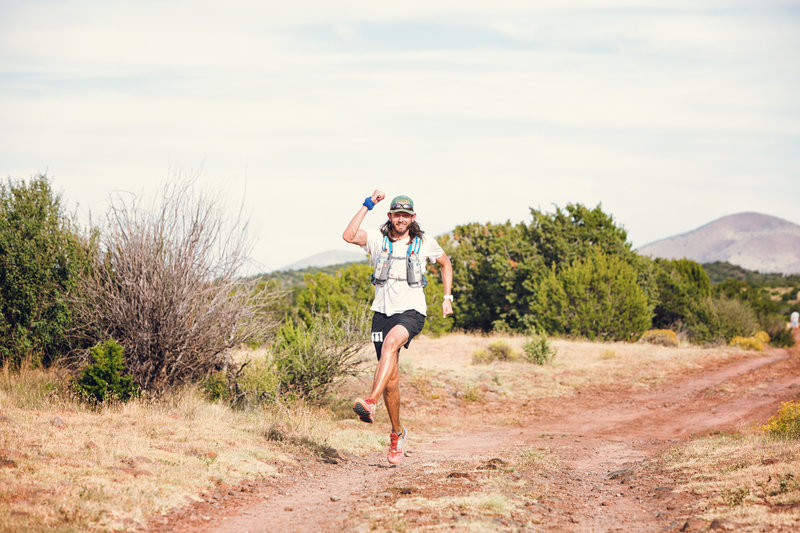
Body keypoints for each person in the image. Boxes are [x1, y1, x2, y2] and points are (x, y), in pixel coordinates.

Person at [342, 190, 453, 465]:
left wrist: (447, 297)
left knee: (391, 344)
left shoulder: (424, 242)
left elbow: (445, 263)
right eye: (396, 214)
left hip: (412, 313)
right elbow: (348, 235)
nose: (401, 219)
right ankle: (397, 433)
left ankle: (369, 402)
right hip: (381, 314)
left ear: (412, 217)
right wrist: (368, 204)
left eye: (406, 215)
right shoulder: (378, 239)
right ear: (390, 216)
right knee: (391, 381)